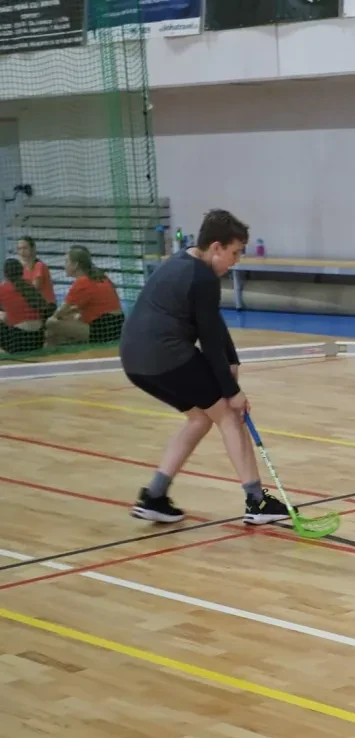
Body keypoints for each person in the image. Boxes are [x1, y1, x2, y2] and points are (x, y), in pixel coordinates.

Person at [118, 209, 289, 525]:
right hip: (166, 354)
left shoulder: (183, 262)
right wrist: (232, 391)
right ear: (216, 247)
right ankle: (257, 501)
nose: (236, 261)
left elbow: (211, 322)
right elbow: (209, 344)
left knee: (200, 417)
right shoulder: (203, 278)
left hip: (134, 361)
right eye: (234, 253)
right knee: (227, 414)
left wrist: (232, 360)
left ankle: (154, 495)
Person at [44, 245, 125, 347]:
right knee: (65, 323)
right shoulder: (100, 276)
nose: (64, 265)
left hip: (104, 330)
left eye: (66, 261)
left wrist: (53, 318)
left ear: (75, 265)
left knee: (51, 323)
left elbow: (59, 312)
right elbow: (80, 307)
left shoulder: (82, 282)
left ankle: (51, 352)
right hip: (117, 327)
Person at [0, 257, 54, 354]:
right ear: (22, 272)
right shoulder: (29, 285)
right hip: (37, 340)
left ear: (5, 274)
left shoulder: (3, 289)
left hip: (18, 341)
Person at [15, 235, 55, 305]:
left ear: (33, 249)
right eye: (19, 249)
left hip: (45, 307)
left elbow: (33, 289)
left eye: (25, 248)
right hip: (32, 306)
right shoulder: (21, 268)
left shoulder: (39, 266)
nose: (22, 252)